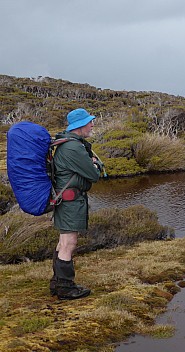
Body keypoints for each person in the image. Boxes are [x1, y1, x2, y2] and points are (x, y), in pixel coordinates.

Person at [50, 108, 103, 300]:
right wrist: (95, 164)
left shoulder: (68, 144)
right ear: (79, 126)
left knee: (63, 242)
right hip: (71, 202)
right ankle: (65, 288)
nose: (92, 125)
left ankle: (57, 283)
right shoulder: (72, 148)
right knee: (69, 243)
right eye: (90, 122)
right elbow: (93, 174)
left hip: (66, 200)